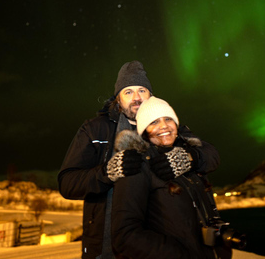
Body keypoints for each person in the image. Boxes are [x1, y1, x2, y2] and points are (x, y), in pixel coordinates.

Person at [58, 61, 220, 259]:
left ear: (151, 95)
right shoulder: (95, 129)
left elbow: (211, 154)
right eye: (128, 92)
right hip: (106, 245)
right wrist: (107, 173)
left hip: (161, 244)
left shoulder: (165, 124)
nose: (137, 98)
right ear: (118, 98)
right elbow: (67, 183)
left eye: (142, 90)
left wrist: (189, 158)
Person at [112, 97, 242, 259]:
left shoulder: (186, 157)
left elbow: (211, 156)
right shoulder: (137, 165)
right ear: (144, 131)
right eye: (153, 122)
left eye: (168, 119)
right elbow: (124, 236)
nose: (164, 126)